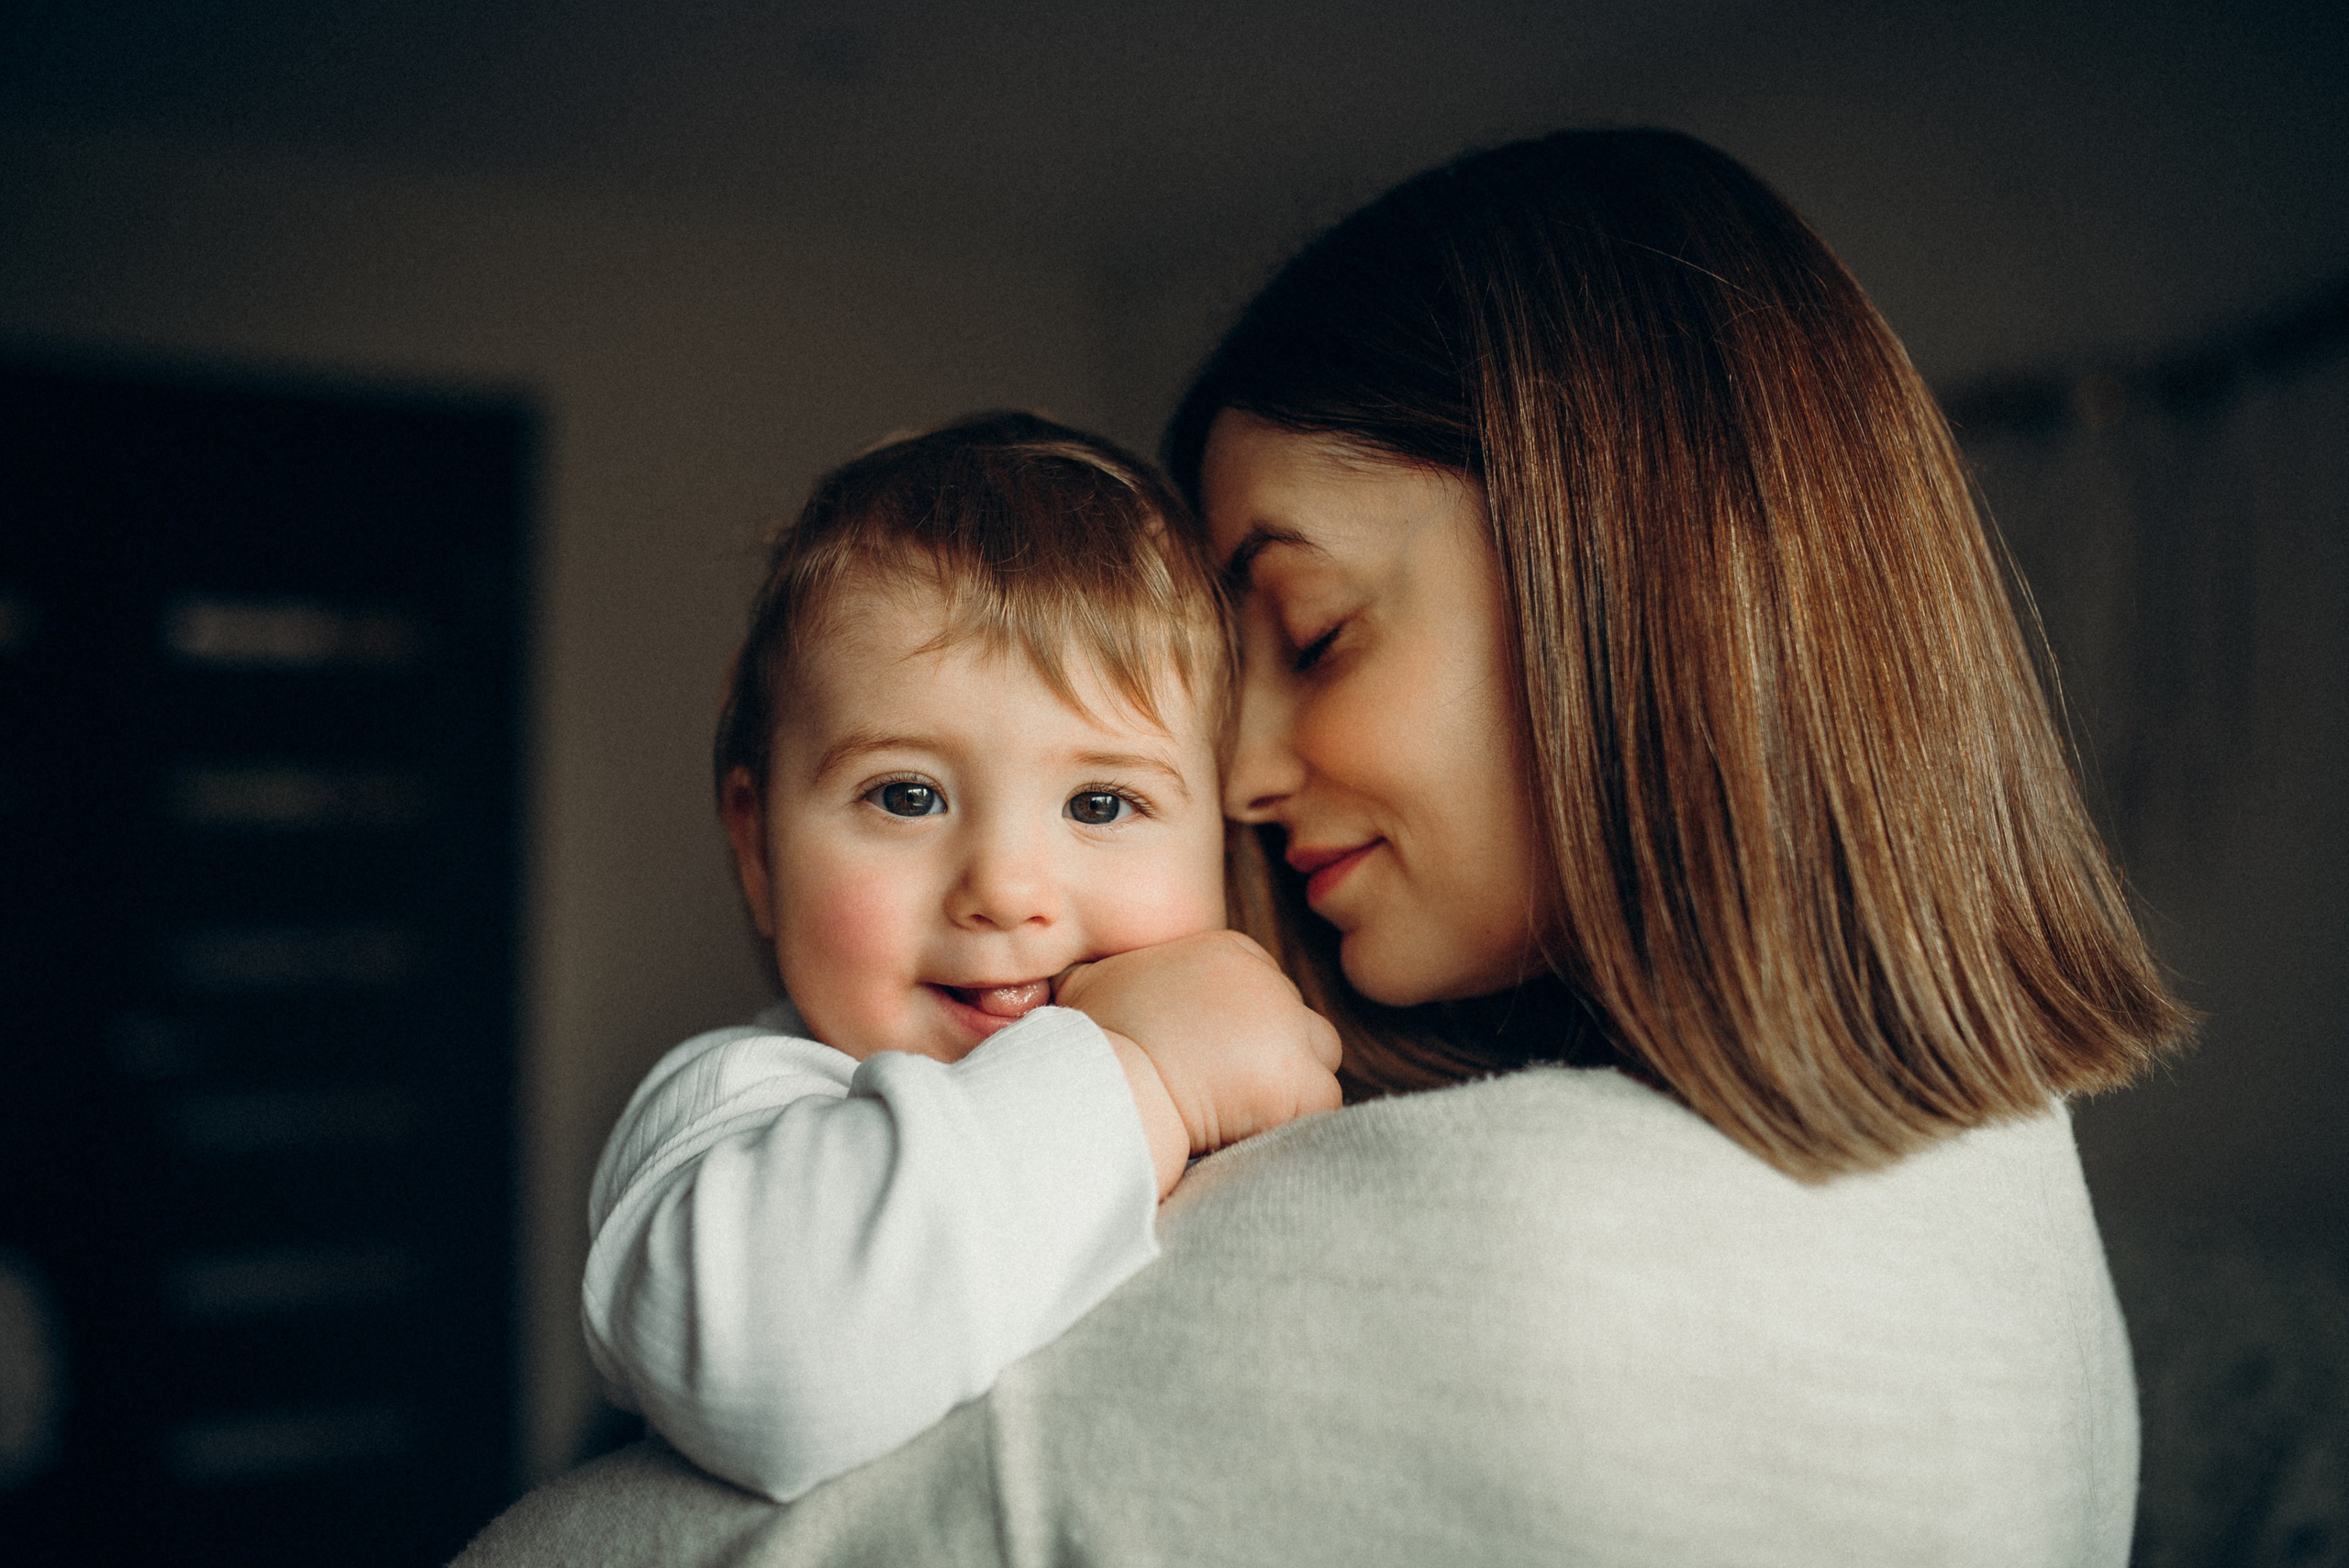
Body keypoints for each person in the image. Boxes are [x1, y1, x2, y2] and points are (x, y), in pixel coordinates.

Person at [460, 128, 2189, 1566]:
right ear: (753, 840)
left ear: (1629, 588)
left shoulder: (1572, 1244)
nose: (1251, 773)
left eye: (1317, 629)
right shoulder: (761, 1111)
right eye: (905, 791)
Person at [580, 412, 1341, 1504]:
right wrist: (1141, 1070)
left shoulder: (1259, 1056)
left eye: (1101, 800)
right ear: (757, 845)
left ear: (1221, 846)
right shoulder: (727, 1113)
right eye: (906, 794)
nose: (1006, 887)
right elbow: (792, 1361)